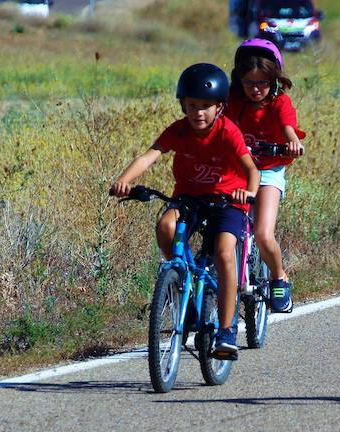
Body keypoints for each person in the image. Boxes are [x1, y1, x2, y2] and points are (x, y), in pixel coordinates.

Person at [110, 64, 260, 360]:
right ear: (183, 104)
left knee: (224, 252)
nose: (198, 113)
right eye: (192, 105)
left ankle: (226, 329)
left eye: (206, 106)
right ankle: (182, 284)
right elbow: (149, 155)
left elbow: (251, 169)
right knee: (165, 226)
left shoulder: (228, 132)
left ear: (219, 107)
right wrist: (125, 180)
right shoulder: (178, 130)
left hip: (228, 200)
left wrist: (250, 191)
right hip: (189, 199)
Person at [226, 38, 305, 313]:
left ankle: (278, 276)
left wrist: (293, 142)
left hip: (269, 170)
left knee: (262, 233)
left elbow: (288, 128)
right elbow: (223, 125)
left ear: (274, 80)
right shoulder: (234, 101)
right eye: (249, 83)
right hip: (237, 172)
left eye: (262, 83)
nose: (256, 89)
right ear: (239, 80)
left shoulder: (280, 102)